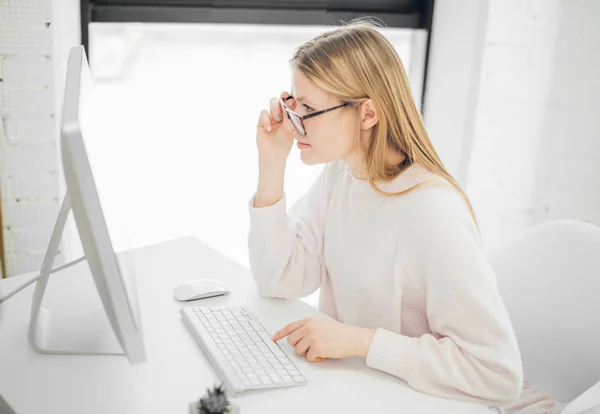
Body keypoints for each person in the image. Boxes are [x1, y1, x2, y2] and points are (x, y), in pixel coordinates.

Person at [247, 18, 564, 413]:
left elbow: (496, 374)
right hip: (376, 394)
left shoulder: (432, 212)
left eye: (308, 109)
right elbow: (279, 277)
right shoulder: (341, 176)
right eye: (293, 103)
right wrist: (271, 167)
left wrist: (360, 341)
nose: (294, 124)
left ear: (368, 114)